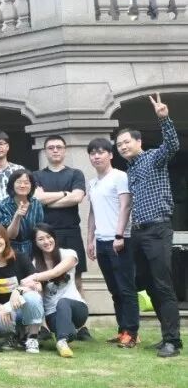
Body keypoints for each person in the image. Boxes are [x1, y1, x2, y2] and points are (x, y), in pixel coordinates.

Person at [116, 93, 182, 357]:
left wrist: (164, 119)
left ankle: (173, 341)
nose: (122, 147)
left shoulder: (154, 157)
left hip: (157, 230)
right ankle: (166, 336)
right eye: (119, 144)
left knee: (163, 285)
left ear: (138, 142)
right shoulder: (130, 169)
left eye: (126, 142)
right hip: (139, 232)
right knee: (147, 284)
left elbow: (172, 146)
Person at [86, 137, 139, 348]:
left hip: (120, 240)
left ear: (110, 155)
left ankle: (132, 333)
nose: (96, 156)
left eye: (101, 152)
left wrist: (119, 235)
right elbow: (92, 213)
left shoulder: (120, 177)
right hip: (101, 241)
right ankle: (122, 330)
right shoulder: (92, 183)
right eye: (92, 153)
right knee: (115, 289)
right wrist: (90, 240)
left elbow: (126, 206)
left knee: (126, 288)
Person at [24, 223, 87, 358]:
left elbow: (55, 272)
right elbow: (39, 295)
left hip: (77, 308)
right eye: (41, 239)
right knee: (70, 333)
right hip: (53, 315)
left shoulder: (69, 254)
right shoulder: (34, 263)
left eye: (48, 237)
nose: (46, 241)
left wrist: (33, 277)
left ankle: (61, 341)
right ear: (35, 243)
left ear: (54, 237)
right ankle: (64, 337)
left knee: (63, 302)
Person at [33, 135, 87, 291]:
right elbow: (37, 198)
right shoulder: (36, 176)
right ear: (45, 151)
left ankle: (78, 306)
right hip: (46, 233)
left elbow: (77, 197)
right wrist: (64, 194)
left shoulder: (75, 174)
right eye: (51, 148)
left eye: (59, 147)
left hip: (71, 231)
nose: (55, 150)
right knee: (45, 276)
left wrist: (48, 200)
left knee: (76, 278)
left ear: (65, 150)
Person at [0, 223, 44, 354]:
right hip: (4, 311)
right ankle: (13, 336)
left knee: (33, 297)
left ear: (5, 239)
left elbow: (38, 285)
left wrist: (18, 290)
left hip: (24, 308)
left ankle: (32, 337)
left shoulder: (20, 257)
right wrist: (0, 308)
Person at [0, 169, 44, 255]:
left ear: (31, 186)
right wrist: (17, 216)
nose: (22, 185)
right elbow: (10, 235)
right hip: (11, 250)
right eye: (19, 182)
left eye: (26, 183)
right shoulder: (3, 205)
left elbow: (40, 229)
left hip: (34, 248)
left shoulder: (36, 203)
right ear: (12, 185)